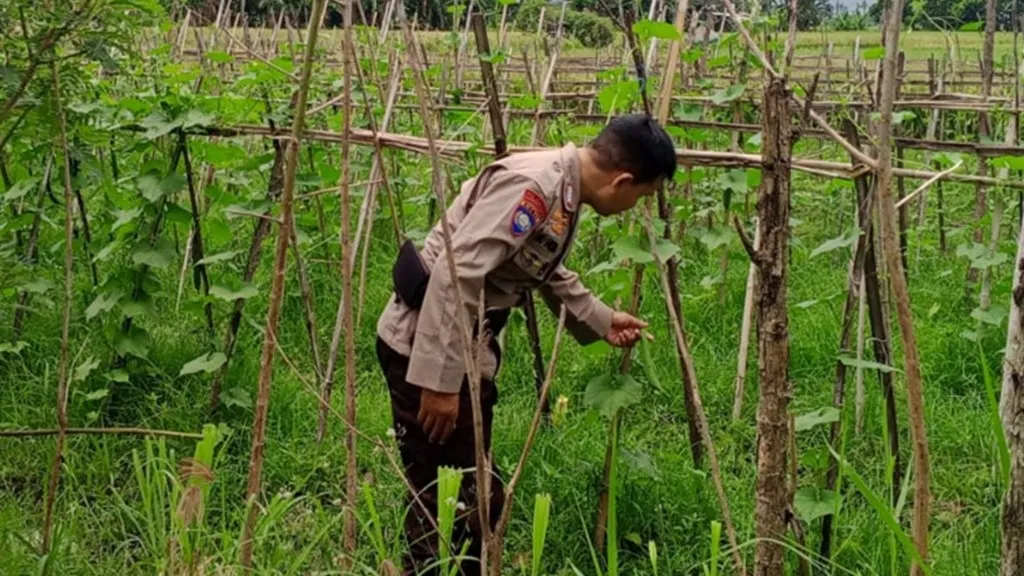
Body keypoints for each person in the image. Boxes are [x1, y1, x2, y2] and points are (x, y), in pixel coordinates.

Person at [375, 114, 677, 575]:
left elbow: (538, 262)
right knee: (449, 496)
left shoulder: (562, 188)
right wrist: (439, 383)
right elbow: (458, 273)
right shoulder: (536, 187)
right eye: (642, 196)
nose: (636, 206)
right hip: (425, 342)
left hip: (456, 340)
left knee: (467, 491)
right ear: (622, 181)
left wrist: (599, 319)